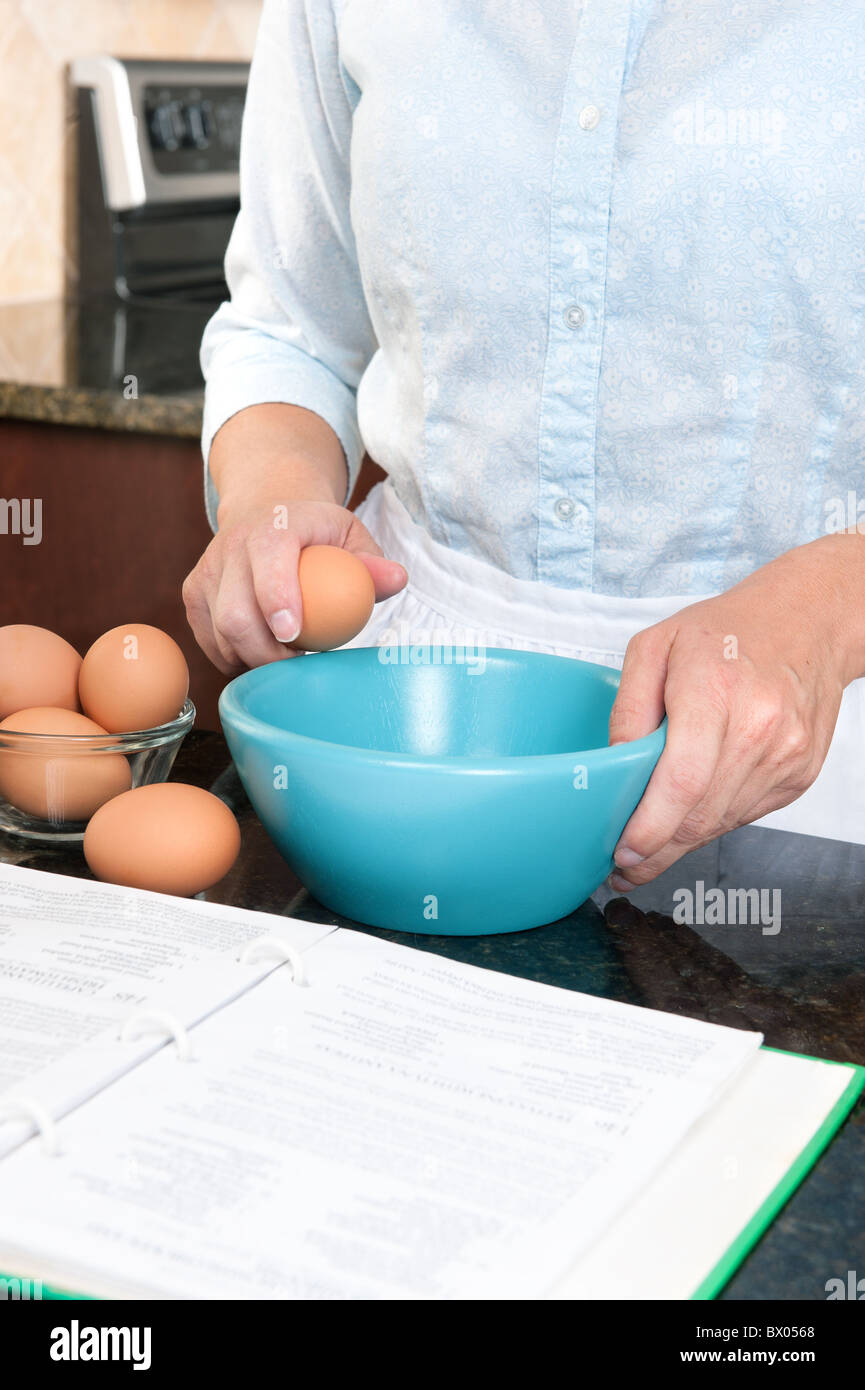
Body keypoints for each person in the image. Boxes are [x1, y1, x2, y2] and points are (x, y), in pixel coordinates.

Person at [184, 0, 865, 892]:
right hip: (407, 719)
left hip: (809, 751)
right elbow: (294, 329)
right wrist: (268, 501)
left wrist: (829, 607)